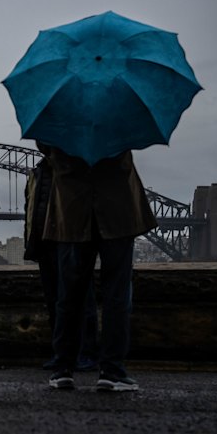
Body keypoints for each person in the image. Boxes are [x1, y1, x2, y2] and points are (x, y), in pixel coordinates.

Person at [42, 144, 156, 391]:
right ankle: (112, 372)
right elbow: (135, 138)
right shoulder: (118, 121)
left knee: (69, 295)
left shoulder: (59, 123)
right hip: (117, 211)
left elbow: (46, 148)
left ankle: (62, 369)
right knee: (117, 293)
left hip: (71, 212)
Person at [24, 153, 99, 372]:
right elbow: (31, 208)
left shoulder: (73, 168)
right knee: (55, 301)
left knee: (82, 299)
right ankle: (62, 354)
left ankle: (87, 353)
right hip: (43, 244)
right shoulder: (37, 172)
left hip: (70, 240)